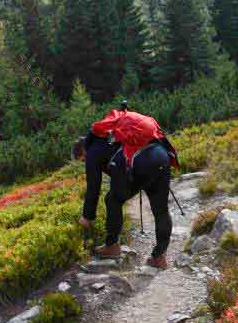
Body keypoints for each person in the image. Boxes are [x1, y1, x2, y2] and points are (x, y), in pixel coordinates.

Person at [74, 104, 176, 269]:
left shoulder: (92, 150)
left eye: (82, 160)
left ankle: (112, 246)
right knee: (161, 210)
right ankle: (159, 257)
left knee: (112, 199)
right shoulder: (111, 135)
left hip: (141, 163)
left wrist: (87, 217)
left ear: (82, 151)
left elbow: (94, 186)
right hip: (161, 155)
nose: (85, 162)